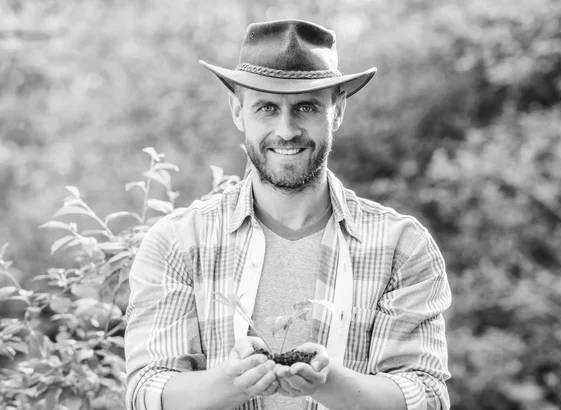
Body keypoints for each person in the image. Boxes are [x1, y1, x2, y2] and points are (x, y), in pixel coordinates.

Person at [124, 19, 451, 410]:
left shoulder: (402, 247)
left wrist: (327, 383)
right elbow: (146, 391)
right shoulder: (178, 241)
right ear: (237, 112)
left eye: (306, 107)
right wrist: (233, 381)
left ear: (338, 111)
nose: (287, 129)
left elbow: (427, 396)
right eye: (266, 108)